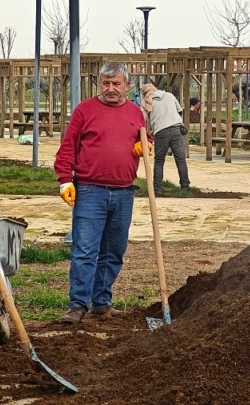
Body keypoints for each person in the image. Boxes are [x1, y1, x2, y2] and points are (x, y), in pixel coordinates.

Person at [54, 61, 150, 324]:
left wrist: (145, 146)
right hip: (90, 191)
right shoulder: (85, 110)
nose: (110, 89)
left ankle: (102, 301)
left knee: (114, 250)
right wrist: (65, 180)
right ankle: (77, 304)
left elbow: (145, 138)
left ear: (127, 86)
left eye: (116, 84)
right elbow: (67, 148)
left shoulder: (135, 112)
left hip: (123, 192)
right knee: (85, 250)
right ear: (99, 84)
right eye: (105, 83)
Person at [140, 83, 190, 194]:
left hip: (161, 133)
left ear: (144, 93)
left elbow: (142, 119)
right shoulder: (169, 95)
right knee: (181, 160)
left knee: (159, 161)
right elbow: (179, 110)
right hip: (177, 130)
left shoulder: (146, 101)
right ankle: (185, 188)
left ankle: (157, 188)